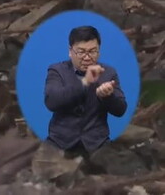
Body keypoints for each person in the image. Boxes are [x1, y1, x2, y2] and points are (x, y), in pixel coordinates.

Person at [43, 25, 127, 159]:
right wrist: (84, 82)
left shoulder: (108, 73)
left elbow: (121, 110)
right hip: (60, 142)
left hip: (97, 143)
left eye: (93, 51)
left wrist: (107, 97)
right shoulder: (57, 70)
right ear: (70, 51)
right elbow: (51, 101)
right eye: (81, 52)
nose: (87, 58)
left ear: (99, 52)